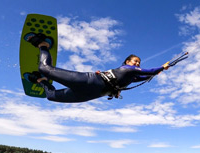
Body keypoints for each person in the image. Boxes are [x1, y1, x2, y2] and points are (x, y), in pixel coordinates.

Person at [23, 33, 170, 103]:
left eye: (139, 63)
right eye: (135, 61)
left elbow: (145, 76)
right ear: (127, 62)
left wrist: (157, 73)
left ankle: (41, 80)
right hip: (88, 81)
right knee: (44, 67)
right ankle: (43, 44)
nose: (137, 64)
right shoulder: (127, 69)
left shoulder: (132, 77)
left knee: (50, 96)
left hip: (89, 95)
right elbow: (149, 71)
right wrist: (161, 68)